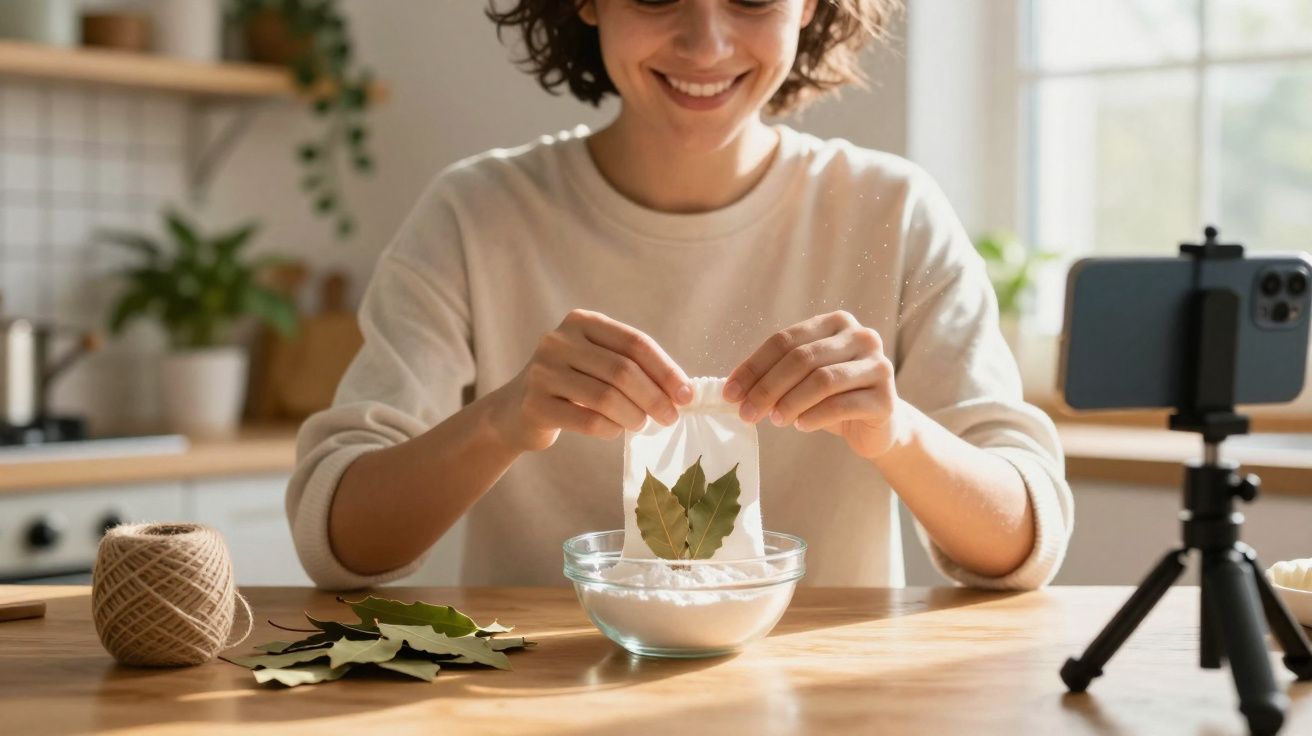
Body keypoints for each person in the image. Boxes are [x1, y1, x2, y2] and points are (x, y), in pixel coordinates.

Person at [287, 0, 1074, 590]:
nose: (706, 44)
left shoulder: (892, 212)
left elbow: (1024, 541)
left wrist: (896, 432)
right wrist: (504, 419)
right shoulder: (474, 216)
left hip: (828, 706)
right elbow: (339, 542)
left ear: (810, 5)